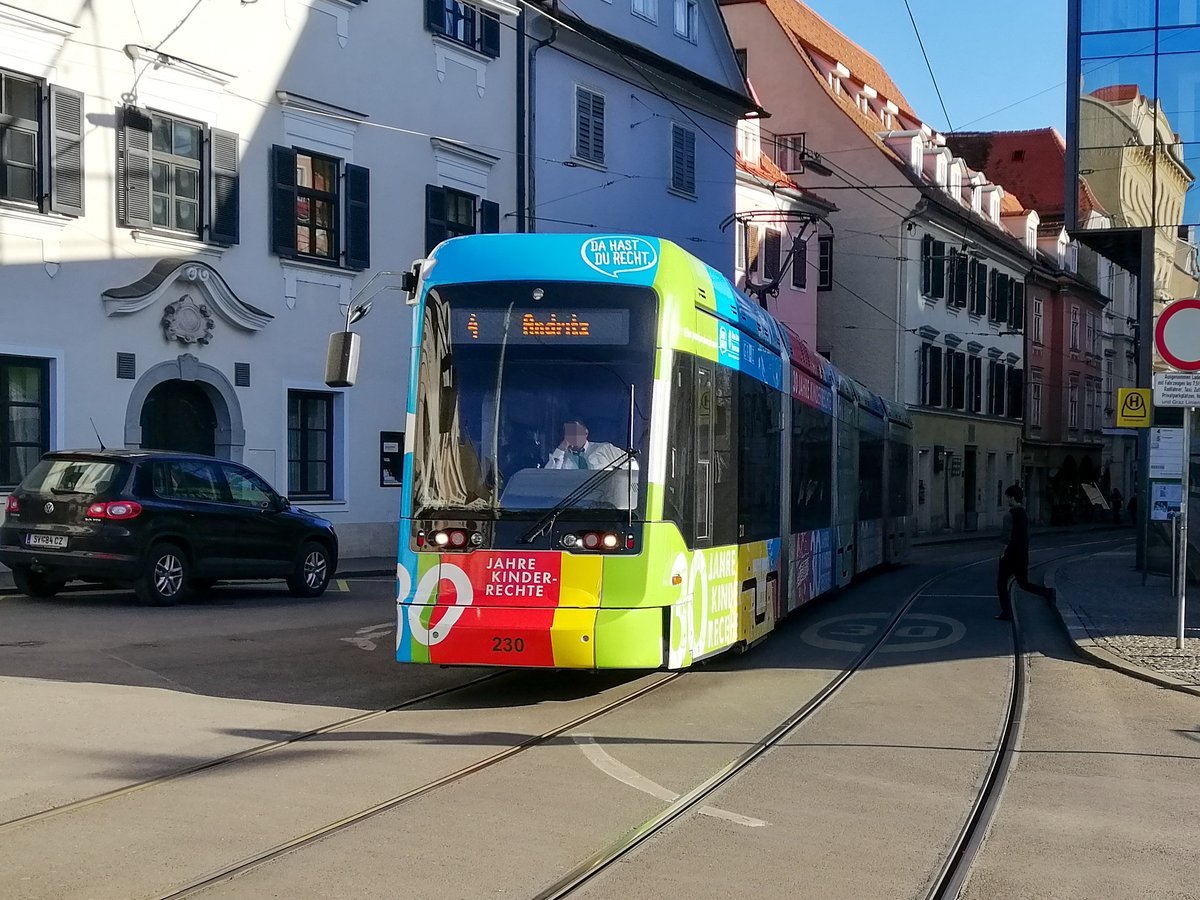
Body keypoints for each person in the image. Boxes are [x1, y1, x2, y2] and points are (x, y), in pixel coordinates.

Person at [996, 483, 1055, 621]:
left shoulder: (1009, 516)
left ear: (1012, 498)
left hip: (1010, 555)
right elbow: (1027, 535)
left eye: (1007, 498)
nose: (1006, 500)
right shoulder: (1025, 514)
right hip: (1022, 554)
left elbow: (1006, 536)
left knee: (1001, 583)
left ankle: (1006, 612)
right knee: (1023, 583)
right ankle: (1047, 592)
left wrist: (1002, 553)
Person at [544, 417, 624, 470]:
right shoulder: (561, 457)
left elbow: (632, 464)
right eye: (569, 432)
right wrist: (561, 449)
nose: (573, 435)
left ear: (586, 432)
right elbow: (548, 478)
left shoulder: (605, 449)